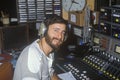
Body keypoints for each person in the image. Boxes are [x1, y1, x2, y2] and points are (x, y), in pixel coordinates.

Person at [13, 14, 68, 80]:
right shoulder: (33, 56)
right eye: (56, 30)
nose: (60, 36)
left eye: (63, 33)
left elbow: (51, 75)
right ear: (44, 31)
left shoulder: (50, 51)